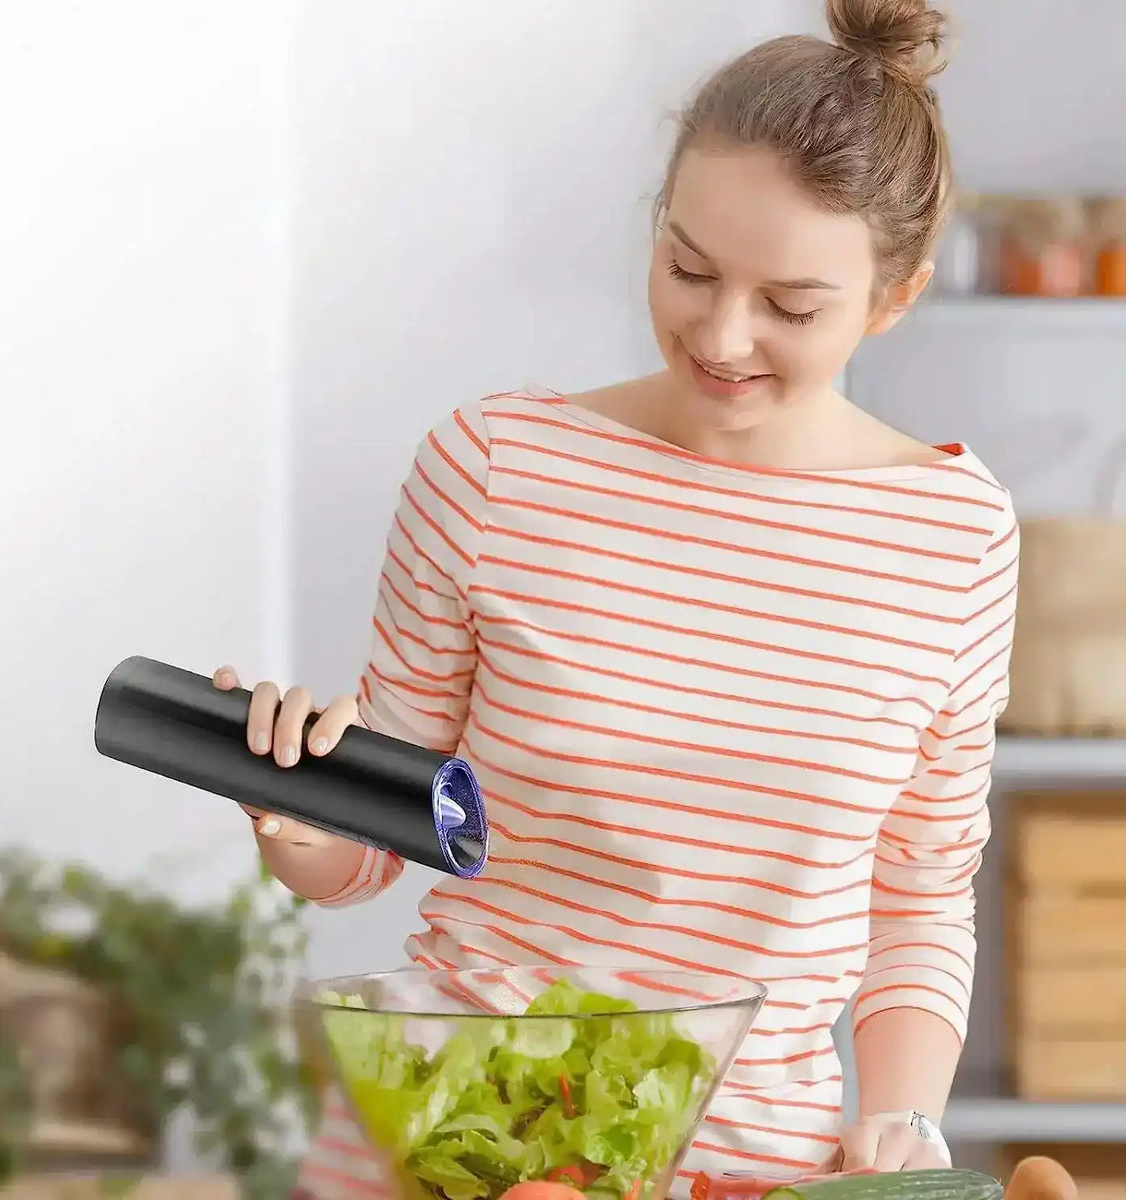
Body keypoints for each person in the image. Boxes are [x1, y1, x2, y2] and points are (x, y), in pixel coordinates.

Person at [216, 0, 1019, 1194]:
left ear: (894, 298)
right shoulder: (496, 468)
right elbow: (380, 843)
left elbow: (921, 890)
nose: (723, 335)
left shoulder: (954, 537)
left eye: (792, 306)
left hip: (749, 1166)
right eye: (689, 268)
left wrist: (905, 1121)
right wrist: (294, 815)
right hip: (459, 1136)